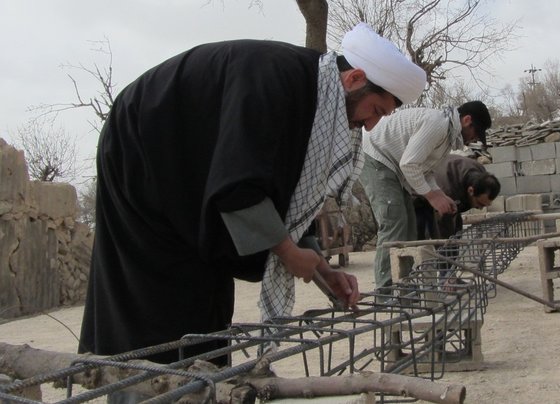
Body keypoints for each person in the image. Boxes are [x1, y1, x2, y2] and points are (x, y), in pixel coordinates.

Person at [78, 22, 427, 367]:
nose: (370, 125)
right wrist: (288, 252)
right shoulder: (274, 80)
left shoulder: (315, 98)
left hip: (191, 177)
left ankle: (202, 382)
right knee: (157, 303)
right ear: (354, 79)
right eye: (376, 111)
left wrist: (323, 269)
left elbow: (290, 202)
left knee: (207, 298)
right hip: (144, 157)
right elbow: (237, 189)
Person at [359, 101, 491, 288]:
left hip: (392, 165)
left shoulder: (446, 138)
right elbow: (409, 165)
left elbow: (426, 171)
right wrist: (432, 197)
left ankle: (404, 283)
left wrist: (439, 194)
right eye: (475, 133)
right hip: (375, 156)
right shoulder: (437, 123)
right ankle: (386, 287)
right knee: (394, 220)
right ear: (467, 120)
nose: (473, 139)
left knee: (410, 225)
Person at [415, 154, 501, 240]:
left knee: (456, 229)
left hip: (444, 178)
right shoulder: (448, 190)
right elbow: (444, 224)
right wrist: (446, 248)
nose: (480, 208)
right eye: (480, 203)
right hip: (417, 195)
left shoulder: (481, 173)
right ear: (471, 191)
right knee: (424, 234)